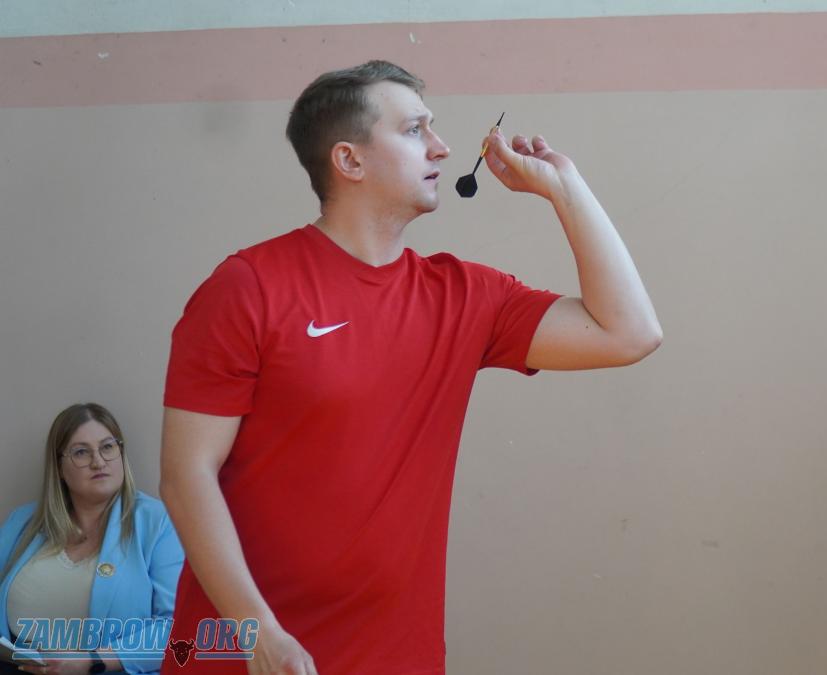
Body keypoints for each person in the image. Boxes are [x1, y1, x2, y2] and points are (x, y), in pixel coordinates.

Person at [159, 60, 661, 674]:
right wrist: (255, 629)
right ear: (350, 160)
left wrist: (565, 187)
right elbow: (187, 476)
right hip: (248, 654)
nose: (442, 147)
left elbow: (629, 333)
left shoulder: (465, 297)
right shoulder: (248, 288)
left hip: (397, 656)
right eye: (415, 129)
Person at [0, 403, 184, 675]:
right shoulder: (22, 522)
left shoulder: (157, 523)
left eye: (107, 447)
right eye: (81, 452)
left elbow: (177, 628)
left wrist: (92, 660)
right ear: (59, 467)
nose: (98, 461)